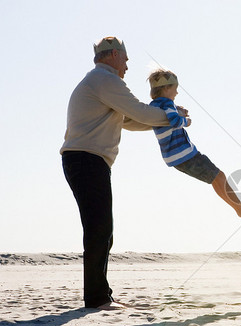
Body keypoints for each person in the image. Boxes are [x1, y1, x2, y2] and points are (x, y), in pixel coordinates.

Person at [61, 37, 173, 310]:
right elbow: (139, 112)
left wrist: (169, 119)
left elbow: (130, 121)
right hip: (86, 160)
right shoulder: (105, 80)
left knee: (102, 230)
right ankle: (98, 300)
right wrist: (174, 118)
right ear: (112, 55)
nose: (127, 63)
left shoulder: (100, 81)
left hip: (86, 161)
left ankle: (101, 296)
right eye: (124, 57)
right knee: (99, 229)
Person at [147, 69, 241, 219]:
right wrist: (186, 121)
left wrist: (178, 109)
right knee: (219, 176)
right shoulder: (168, 104)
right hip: (185, 155)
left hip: (175, 158)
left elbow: (167, 115)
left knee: (216, 178)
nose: (176, 93)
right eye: (175, 89)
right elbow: (175, 121)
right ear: (166, 88)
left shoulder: (155, 105)